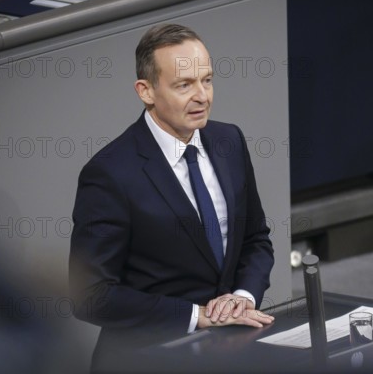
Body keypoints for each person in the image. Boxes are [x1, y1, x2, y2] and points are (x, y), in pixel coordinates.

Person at [69, 24, 275, 362]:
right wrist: (197, 315)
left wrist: (243, 296)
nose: (202, 96)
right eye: (184, 85)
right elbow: (91, 295)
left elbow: (256, 239)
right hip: (148, 358)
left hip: (228, 351)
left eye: (206, 80)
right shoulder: (110, 174)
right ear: (145, 91)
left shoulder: (229, 142)